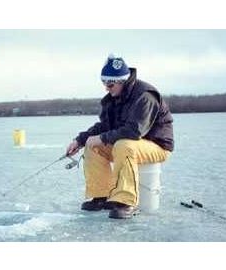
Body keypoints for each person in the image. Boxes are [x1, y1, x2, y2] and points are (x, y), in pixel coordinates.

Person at [66, 54, 174, 219]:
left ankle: (126, 201)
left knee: (124, 145)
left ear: (122, 81)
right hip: (131, 144)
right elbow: (104, 126)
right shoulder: (114, 99)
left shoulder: (145, 96)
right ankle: (101, 196)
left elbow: (134, 131)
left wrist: (102, 138)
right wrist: (80, 140)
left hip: (157, 145)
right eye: (104, 83)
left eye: (110, 84)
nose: (106, 88)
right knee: (92, 145)